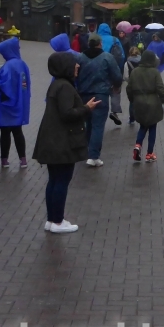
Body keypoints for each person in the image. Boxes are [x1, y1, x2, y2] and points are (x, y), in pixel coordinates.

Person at [32, 52, 98, 234]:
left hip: (52, 139)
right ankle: (58, 221)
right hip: (62, 141)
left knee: (54, 180)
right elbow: (67, 113)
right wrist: (86, 108)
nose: (77, 66)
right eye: (74, 63)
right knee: (62, 180)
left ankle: (52, 219)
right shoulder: (66, 87)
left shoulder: (56, 85)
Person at [0, 37, 31, 169]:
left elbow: (4, 85)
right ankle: (23, 160)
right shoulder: (22, 64)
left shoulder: (8, 66)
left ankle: (4, 160)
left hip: (6, 105)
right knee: (18, 132)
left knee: (5, 132)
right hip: (18, 104)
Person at [76, 32, 122, 167]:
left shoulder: (80, 57)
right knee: (98, 126)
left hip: (84, 95)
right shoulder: (107, 57)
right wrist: (115, 86)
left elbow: (75, 75)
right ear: (100, 44)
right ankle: (93, 156)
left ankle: (85, 151)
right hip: (101, 95)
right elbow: (117, 76)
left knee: (88, 124)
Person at [126, 50, 164, 162]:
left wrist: (132, 100)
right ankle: (149, 154)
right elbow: (160, 88)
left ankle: (138, 145)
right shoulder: (155, 72)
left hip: (139, 102)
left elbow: (129, 88)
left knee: (143, 126)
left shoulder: (135, 72)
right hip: (153, 103)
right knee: (152, 127)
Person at [124, 46, 142, 125]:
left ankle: (132, 119)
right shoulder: (142, 62)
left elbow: (126, 76)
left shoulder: (127, 63)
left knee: (132, 102)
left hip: (132, 85)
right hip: (142, 84)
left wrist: (130, 81)